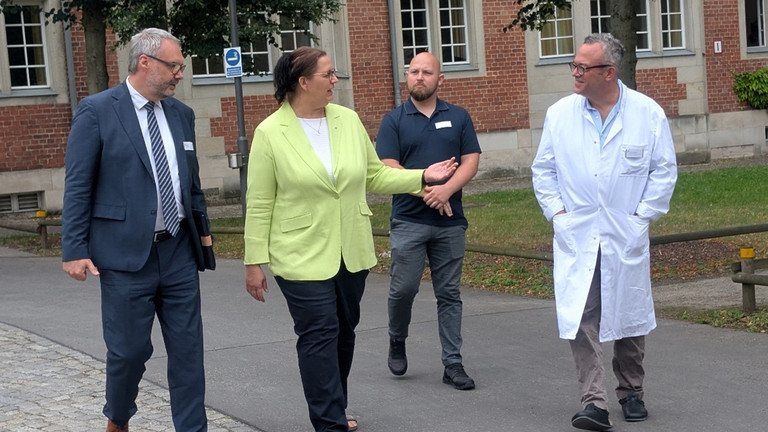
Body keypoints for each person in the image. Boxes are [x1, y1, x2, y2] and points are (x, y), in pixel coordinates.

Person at [243, 46, 458, 432]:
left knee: (343, 332)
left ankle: (334, 405)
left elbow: (374, 175)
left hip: (350, 250)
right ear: (303, 82)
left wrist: (422, 176)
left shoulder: (347, 119)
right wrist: (253, 261)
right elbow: (259, 203)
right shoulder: (270, 133)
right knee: (319, 332)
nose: (335, 81)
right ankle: (328, 422)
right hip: (298, 252)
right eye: (328, 75)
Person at [61, 28, 210, 432]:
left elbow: (190, 182)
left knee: (188, 351)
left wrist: (204, 236)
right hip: (125, 255)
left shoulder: (182, 114)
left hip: (178, 251)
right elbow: (78, 184)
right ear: (145, 62)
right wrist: (73, 248)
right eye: (174, 65)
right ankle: (119, 417)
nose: (180, 73)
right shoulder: (97, 110)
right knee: (128, 352)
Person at [531, 33, 677, 431]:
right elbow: (543, 170)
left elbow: (663, 171)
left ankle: (631, 391)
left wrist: (640, 216)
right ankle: (593, 402)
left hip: (623, 231)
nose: (575, 73)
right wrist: (558, 214)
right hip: (577, 233)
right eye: (574, 65)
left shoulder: (647, 114)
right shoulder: (561, 114)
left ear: (609, 73)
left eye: (583, 67)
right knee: (584, 315)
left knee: (627, 315)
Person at [375, 52, 481, 390]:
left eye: (427, 72)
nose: (419, 77)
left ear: (440, 79)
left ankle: (453, 363)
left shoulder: (459, 117)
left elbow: (471, 160)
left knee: (449, 293)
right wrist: (426, 191)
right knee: (403, 289)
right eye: (414, 72)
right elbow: (387, 167)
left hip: (450, 223)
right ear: (407, 77)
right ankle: (396, 337)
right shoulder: (393, 120)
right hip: (408, 220)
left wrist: (446, 190)